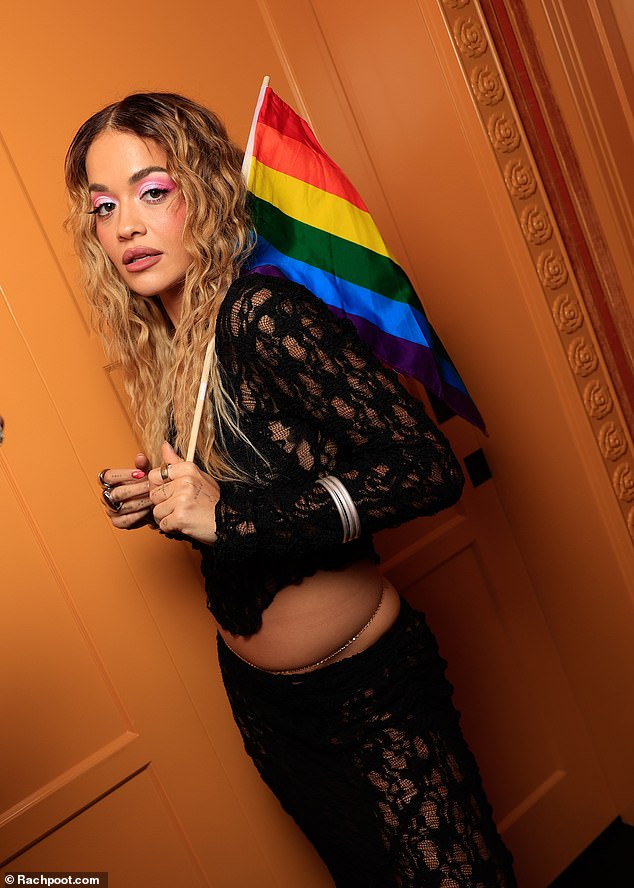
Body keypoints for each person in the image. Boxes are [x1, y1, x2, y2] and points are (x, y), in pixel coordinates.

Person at [64, 92, 516, 887]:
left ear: (202, 189)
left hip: (369, 697)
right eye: (104, 206)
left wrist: (228, 513)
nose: (125, 224)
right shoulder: (175, 339)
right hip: (266, 706)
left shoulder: (260, 312)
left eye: (151, 191)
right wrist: (161, 496)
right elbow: (255, 481)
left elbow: (425, 468)